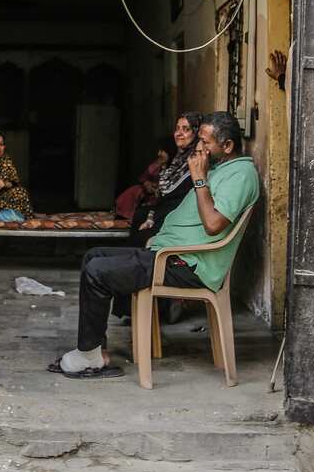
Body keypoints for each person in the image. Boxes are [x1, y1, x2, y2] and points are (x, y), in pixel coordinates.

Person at [52, 112, 259, 378]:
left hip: (188, 264)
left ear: (227, 146)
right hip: (170, 254)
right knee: (93, 256)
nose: (200, 148)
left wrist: (198, 179)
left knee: (98, 272)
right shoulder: (220, 167)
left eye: (205, 142)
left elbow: (213, 225)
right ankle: (93, 350)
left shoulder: (241, 175)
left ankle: (88, 356)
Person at [130, 111, 204, 242]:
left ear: (196, 133)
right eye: (177, 128)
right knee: (140, 216)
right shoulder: (177, 160)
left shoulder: (197, 161)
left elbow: (179, 200)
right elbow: (163, 197)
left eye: (186, 129)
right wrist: (151, 218)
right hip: (163, 215)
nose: (178, 133)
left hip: (177, 222)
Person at [113, 141, 172, 223]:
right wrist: (147, 183)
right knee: (135, 190)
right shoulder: (157, 164)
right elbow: (144, 177)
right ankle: (124, 216)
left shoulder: (174, 167)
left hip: (161, 196)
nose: (159, 154)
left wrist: (158, 188)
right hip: (149, 193)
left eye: (162, 151)